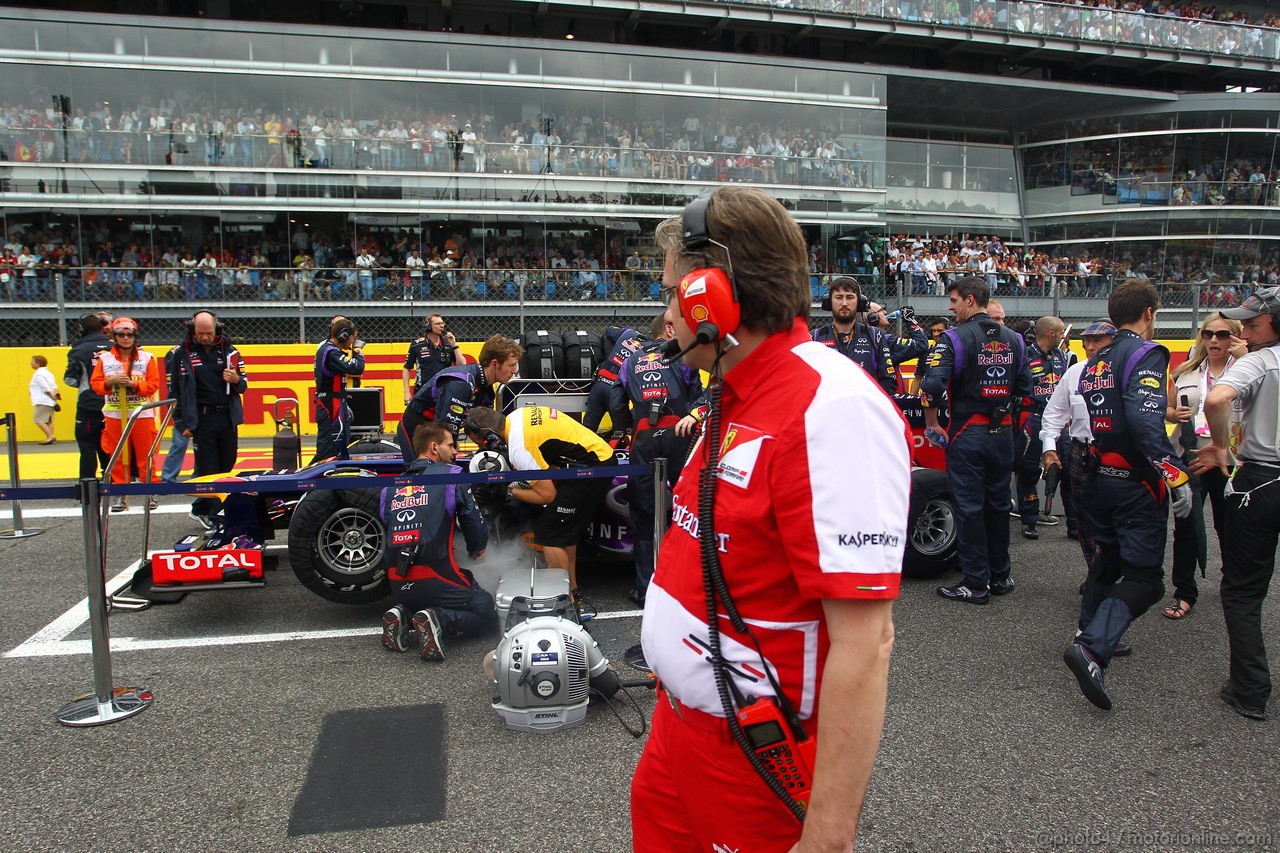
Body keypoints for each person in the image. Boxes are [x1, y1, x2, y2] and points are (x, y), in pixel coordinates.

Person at [631, 187, 909, 852]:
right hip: (680, 732)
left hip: (750, 759)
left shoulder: (829, 408)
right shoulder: (736, 390)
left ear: (716, 300)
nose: (665, 316)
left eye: (674, 294)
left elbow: (866, 646)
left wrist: (827, 836)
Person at [1063, 280, 1192, 712]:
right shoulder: (1146, 353)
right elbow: (1144, 420)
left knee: (1109, 558)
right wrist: (1174, 475)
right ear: (1151, 313)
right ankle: (1093, 648)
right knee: (1147, 581)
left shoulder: (1098, 358)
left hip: (1101, 477)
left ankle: (1087, 630)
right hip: (1135, 483)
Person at [1193, 285, 1280, 722]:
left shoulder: (1261, 361)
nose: (1243, 329)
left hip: (1261, 479)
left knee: (1243, 593)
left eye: (1253, 322)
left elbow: (1215, 398)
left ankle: (1249, 689)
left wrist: (1224, 446)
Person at [920, 276, 1032, 604]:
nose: (950, 307)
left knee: (969, 508)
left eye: (953, 301)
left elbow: (931, 386)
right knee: (998, 506)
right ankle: (1001, 576)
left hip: (968, 433)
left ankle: (975, 583)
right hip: (1003, 434)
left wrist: (931, 423)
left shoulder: (953, 338)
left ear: (970, 300)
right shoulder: (1015, 339)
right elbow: (1026, 390)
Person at [462, 404, 614, 612]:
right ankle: (572, 592)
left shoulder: (519, 448)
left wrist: (507, 491)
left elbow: (547, 495)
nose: (483, 449)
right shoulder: (518, 416)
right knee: (564, 530)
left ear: (490, 435)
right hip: (593, 459)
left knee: (550, 531)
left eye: (481, 443)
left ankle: (562, 600)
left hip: (591, 467)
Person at [610, 314, 705, 609]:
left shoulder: (630, 361)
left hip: (644, 441)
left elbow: (616, 403)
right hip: (682, 436)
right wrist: (692, 417)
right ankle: (688, 586)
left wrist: (628, 429)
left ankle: (645, 590)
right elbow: (700, 397)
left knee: (643, 516)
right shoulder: (683, 354)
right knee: (689, 511)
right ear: (667, 330)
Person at [380, 422, 491, 662]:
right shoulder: (451, 476)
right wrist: (477, 550)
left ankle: (403, 614)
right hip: (435, 576)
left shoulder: (390, 488)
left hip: (398, 582)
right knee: (486, 609)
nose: (455, 452)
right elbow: (474, 523)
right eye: (450, 445)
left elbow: (389, 525)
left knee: (429, 592)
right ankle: (440, 620)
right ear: (433, 448)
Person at [1164, 313, 1245, 622]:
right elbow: (1168, 410)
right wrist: (1175, 413)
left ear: (1235, 337)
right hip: (1189, 455)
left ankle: (1233, 584)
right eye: (1209, 334)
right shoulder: (1186, 371)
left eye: (1223, 335)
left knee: (1230, 527)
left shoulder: (1247, 370)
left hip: (1229, 459)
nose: (1214, 340)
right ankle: (1185, 591)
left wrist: (1245, 358)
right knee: (1186, 526)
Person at [1040, 320, 1117, 569]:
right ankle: (1095, 572)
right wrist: (1049, 449)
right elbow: (1053, 415)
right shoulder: (1074, 373)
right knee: (1084, 519)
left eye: (1098, 341)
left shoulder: (1124, 371)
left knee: (1115, 517)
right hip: (1080, 451)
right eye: (1087, 341)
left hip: (1115, 451)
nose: (1090, 346)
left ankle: (1115, 573)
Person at [170, 310, 248, 530]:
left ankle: (201, 508)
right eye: (200, 333)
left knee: (227, 464)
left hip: (227, 417)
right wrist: (181, 423)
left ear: (217, 330)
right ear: (192, 330)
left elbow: (244, 384)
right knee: (209, 470)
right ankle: (216, 517)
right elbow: (174, 391)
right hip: (201, 419)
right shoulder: (181, 354)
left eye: (209, 333)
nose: (205, 337)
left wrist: (235, 379)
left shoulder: (230, 352)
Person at [396, 334, 521, 463]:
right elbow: (444, 430)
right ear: (495, 364)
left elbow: (480, 428)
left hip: (439, 430)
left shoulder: (486, 388)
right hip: (417, 430)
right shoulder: (461, 384)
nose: (514, 371)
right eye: (511, 365)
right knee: (425, 474)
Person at [90, 317, 162, 512]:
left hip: (142, 414)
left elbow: (153, 385)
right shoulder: (104, 359)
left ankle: (150, 493)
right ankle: (120, 494)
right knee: (117, 456)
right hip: (114, 415)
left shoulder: (147, 358)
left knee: (146, 456)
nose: (125, 338)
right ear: (114, 336)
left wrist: (133, 384)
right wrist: (110, 381)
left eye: (129, 335)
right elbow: (95, 385)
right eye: (121, 335)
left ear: (134, 336)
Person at [810, 276, 927, 394]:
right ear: (829, 302)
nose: (844, 303)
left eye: (850, 297)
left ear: (859, 302)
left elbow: (889, 382)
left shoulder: (877, 336)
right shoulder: (814, 338)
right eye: (839, 297)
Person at [1014, 316, 1071, 540]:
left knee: (1067, 469)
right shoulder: (1025, 356)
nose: (1063, 336)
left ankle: (1074, 525)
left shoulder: (1060, 356)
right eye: (1061, 332)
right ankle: (1029, 519)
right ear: (1051, 334)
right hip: (1032, 418)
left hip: (1059, 422)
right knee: (1028, 470)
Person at [64, 313, 113, 479]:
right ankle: (113, 488)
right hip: (112, 405)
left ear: (81, 329)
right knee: (109, 448)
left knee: (87, 448)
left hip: (88, 406)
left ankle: (87, 489)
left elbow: (70, 380)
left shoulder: (78, 350)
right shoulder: (115, 347)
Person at [312, 317, 365, 463]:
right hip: (330, 405)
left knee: (340, 444)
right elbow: (357, 367)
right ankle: (319, 483)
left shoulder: (331, 349)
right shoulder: (330, 352)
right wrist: (358, 352)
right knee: (330, 447)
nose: (352, 342)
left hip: (335, 402)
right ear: (343, 336)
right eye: (352, 338)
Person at [582, 323, 651, 434]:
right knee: (622, 433)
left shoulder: (627, 333)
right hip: (615, 390)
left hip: (599, 383)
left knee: (587, 430)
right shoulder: (651, 349)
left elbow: (609, 330)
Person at [400, 313, 464, 407]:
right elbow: (406, 368)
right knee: (422, 421)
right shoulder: (417, 344)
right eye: (437, 324)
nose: (441, 326)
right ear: (428, 326)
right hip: (423, 390)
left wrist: (454, 345)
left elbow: (462, 365)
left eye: (442, 323)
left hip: (444, 391)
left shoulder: (447, 344)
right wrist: (406, 392)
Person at [29, 355, 60, 445]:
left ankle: (50, 436)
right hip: (50, 401)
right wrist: (53, 396)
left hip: (42, 400)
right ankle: (50, 436)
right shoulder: (48, 373)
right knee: (49, 420)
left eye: (33, 362)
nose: (31, 363)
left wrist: (50, 395)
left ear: (38, 364)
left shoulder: (38, 374)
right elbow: (54, 386)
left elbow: (44, 386)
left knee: (38, 420)